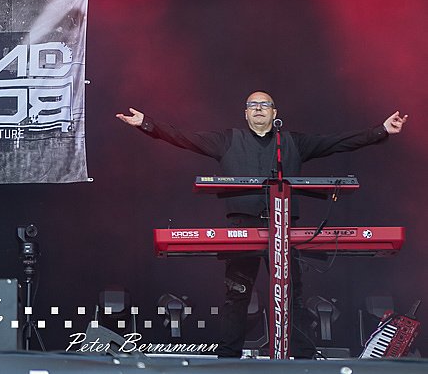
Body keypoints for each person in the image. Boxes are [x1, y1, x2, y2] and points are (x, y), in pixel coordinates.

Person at [116, 92, 407, 359]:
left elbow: (336, 142)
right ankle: (228, 358)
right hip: (242, 226)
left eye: (264, 105)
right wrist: (147, 123)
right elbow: (184, 137)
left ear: (274, 112)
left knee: (291, 296)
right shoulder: (228, 140)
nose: (258, 109)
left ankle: (303, 358)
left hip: (284, 227)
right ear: (245, 113)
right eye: (252, 105)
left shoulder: (292, 142)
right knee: (237, 295)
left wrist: (381, 130)